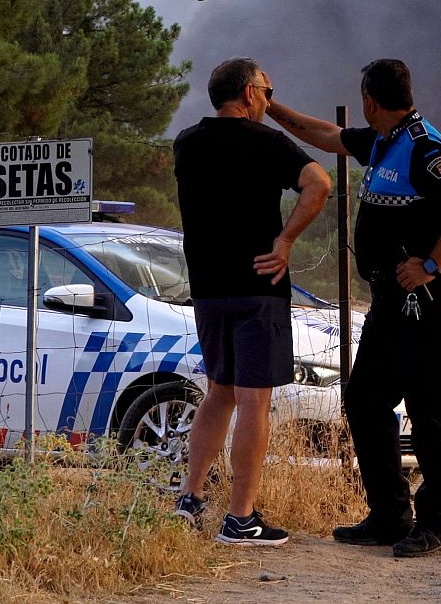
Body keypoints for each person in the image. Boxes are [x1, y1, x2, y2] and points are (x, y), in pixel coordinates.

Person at [268, 58, 441, 558]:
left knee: (430, 408)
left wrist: (431, 264)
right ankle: (390, 515)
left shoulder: (423, 145)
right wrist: (271, 107)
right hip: (391, 299)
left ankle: (436, 525)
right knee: (365, 399)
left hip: (427, 298)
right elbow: (327, 135)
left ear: (370, 98)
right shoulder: (384, 139)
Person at [170, 57, 332, 546]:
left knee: (218, 390)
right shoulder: (267, 143)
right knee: (253, 400)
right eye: (266, 90)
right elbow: (319, 183)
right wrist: (284, 243)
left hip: (207, 289)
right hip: (257, 289)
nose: (268, 98)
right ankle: (240, 518)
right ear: (247, 93)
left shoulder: (186, 142)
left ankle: (190, 499)